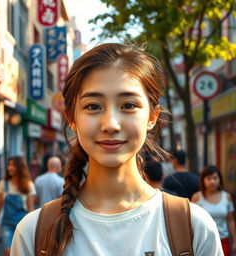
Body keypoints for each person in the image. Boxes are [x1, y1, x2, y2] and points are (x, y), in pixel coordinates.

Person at [11, 43, 222, 255]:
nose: (111, 124)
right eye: (93, 106)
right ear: (72, 118)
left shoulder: (194, 228)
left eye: (128, 105)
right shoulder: (33, 232)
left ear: (152, 116)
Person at [0, 156, 36, 256]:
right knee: (8, 252)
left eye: (14, 165)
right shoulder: (3, 184)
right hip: (7, 224)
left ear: (20, 167)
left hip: (23, 224)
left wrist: (33, 228)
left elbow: (30, 208)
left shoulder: (28, 185)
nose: (10, 167)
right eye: (9, 165)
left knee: (20, 253)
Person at [192, 165, 236, 256]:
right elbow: (192, 222)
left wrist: (235, 241)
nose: (212, 181)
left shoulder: (227, 197)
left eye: (215, 178)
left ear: (219, 179)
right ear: (203, 180)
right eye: (209, 178)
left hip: (223, 241)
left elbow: (231, 221)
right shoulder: (197, 198)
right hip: (203, 242)